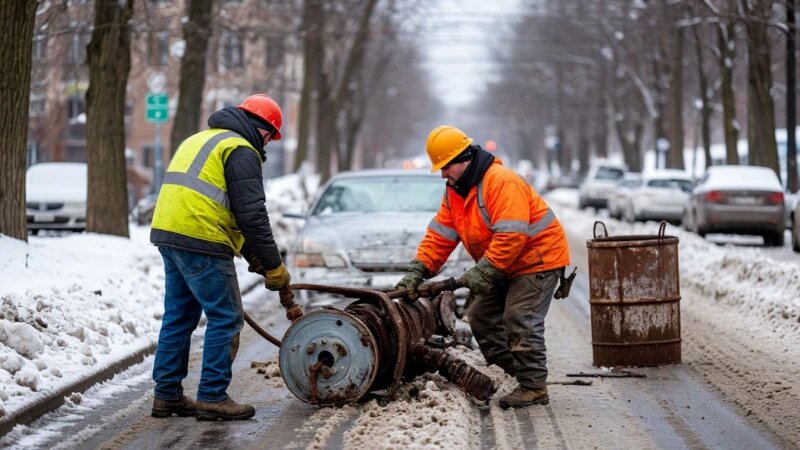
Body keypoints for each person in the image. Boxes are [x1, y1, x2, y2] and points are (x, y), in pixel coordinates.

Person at [396, 125, 570, 409]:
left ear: (463, 160)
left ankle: (533, 386)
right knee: (480, 316)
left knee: (519, 318)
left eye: (445, 167)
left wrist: (484, 271)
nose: (442, 174)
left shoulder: (501, 182)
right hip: (502, 263)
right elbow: (440, 237)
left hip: (537, 259)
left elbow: (511, 235)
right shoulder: (455, 191)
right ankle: (513, 371)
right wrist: (418, 270)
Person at [148, 94, 291, 421]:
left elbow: (226, 207)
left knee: (179, 316)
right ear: (263, 129)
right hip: (202, 237)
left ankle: (167, 395)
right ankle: (212, 396)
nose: (268, 144)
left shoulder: (201, 139)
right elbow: (252, 215)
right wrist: (273, 265)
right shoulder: (241, 150)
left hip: (170, 232)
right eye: (270, 137)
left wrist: (254, 256)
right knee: (226, 316)